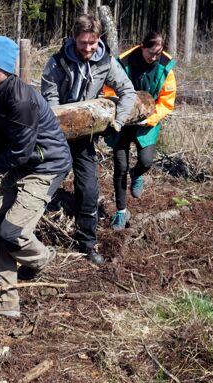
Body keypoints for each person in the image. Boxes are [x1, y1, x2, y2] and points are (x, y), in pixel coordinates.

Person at [0, 35, 72, 318]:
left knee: (11, 231)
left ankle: (41, 258)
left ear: (8, 68)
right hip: (23, 162)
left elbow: (19, 152)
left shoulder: (21, 98)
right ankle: (5, 303)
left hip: (46, 166)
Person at [41, 15, 136, 265]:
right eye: (83, 43)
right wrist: (56, 132)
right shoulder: (57, 63)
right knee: (43, 187)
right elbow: (49, 101)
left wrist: (119, 121)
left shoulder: (105, 62)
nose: (88, 48)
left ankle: (88, 244)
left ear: (98, 39)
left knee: (89, 190)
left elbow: (127, 91)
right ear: (74, 39)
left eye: (92, 43)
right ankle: (29, 240)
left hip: (86, 137)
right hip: (57, 136)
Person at [105, 31, 176, 229]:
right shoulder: (123, 62)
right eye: (150, 53)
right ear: (141, 46)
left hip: (148, 122)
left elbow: (166, 101)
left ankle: (137, 175)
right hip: (121, 122)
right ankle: (121, 212)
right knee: (120, 167)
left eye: (158, 53)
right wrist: (119, 111)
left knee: (146, 161)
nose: (154, 57)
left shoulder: (165, 67)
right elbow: (109, 90)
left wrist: (150, 118)